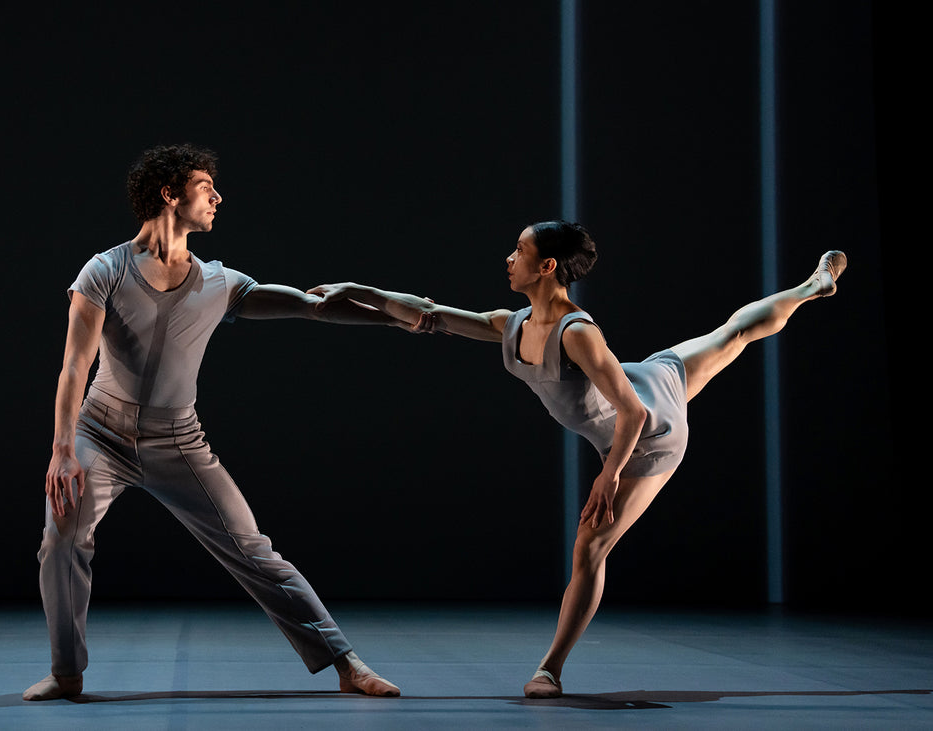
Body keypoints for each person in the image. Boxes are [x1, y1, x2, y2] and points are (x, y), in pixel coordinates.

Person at [308, 220, 847, 698]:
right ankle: (813, 286)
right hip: (651, 374)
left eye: (517, 251)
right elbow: (432, 315)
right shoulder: (513, 324)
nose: (508, 259)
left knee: (589, 548)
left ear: (545, 266)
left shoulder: (579, 333)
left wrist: (608, 477)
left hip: (650, 435)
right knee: (734, 332)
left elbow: (632, 417)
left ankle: (550, 670)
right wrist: (361, 292)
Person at [23, 144, 405, 701]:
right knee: (61, 539)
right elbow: (74, 366)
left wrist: (403, 315)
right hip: (98, 434)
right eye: (206, 186)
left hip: (178, 441)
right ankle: (66, 672)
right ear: (169, 193)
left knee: (253, 549)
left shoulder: (221, 283)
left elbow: (311, 305)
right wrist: (62, 451)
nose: (218, 197)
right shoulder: (104, 270)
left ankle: (346, 663)